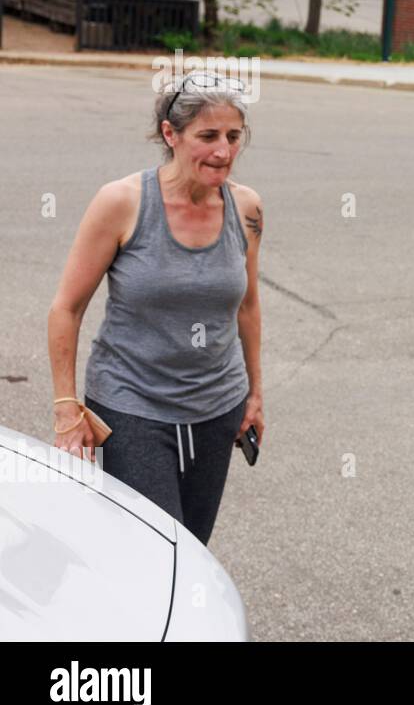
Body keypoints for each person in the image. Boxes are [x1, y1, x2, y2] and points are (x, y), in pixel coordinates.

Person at [46, 71, 265, 545]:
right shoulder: (122, 202)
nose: (224, 151)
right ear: (171, 134)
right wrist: (67, 409)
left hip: (218, 404)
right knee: (153, 549)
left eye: (233, 136)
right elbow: (66, 308)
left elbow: (247, 305)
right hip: (132, 405)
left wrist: (254, 394)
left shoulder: (247, 208)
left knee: (193, 550)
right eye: (208, 136)